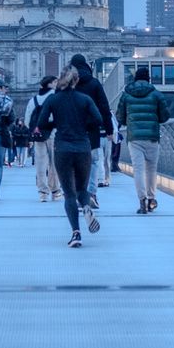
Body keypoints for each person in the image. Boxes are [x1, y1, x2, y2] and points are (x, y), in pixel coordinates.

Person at [36, 66, 107, 246]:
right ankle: (86, 207)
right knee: (82, 190)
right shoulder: (85, 99)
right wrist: (84, 125)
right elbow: (99, 119)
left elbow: (42, 122)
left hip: (63, 148)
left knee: (69, 194)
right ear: (76, 81)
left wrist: (56, 124)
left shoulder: (53, 99)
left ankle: (76, 233)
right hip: (83, 147)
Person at [117, 64, 172, 213]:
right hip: (152, 136)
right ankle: (151, 198)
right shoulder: (156, 94)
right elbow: (165, 116)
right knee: (151, 170)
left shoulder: (126, 94)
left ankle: (142, 200)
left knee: (138, 170)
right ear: (149, 79)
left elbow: (120, 117)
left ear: (135, 79)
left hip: (134, 137)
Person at [66, 53, 115, 200]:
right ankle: (91, 193)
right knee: (93, 161)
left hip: (71, 129)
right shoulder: (94, 83)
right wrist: (109, 130)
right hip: (92, 129)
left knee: (74, 162)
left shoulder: (67, 84)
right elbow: (104, 107)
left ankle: (77, 193)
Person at [25, 75, 58, 201]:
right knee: (54, 163)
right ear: (50, 84)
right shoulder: (56, 97)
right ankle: (55, 190)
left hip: (38, 135)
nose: (57, 84)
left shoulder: (33, 100)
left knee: (40, 163)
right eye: (55, 82)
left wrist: (36, 129)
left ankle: (43, 192)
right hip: (54, 133)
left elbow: (28, 120)